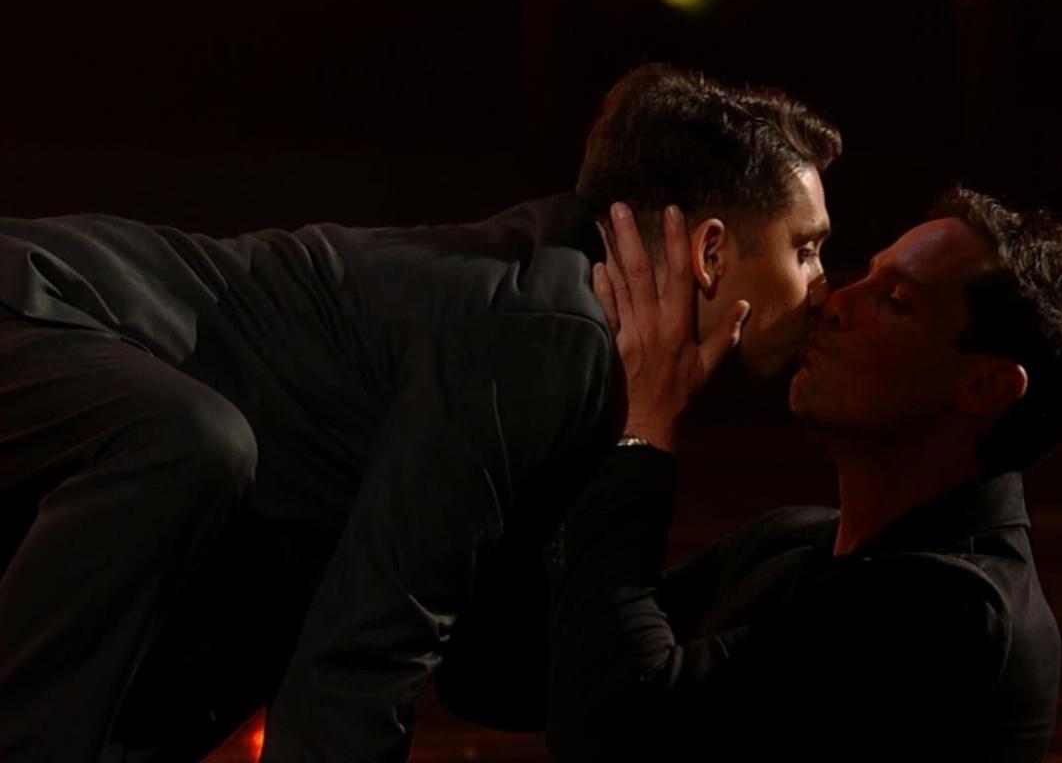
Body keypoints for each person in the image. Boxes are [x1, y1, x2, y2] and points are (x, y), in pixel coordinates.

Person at [0, 63, 839, 762]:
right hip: (33, 304)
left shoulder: (580, 342)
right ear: (711, 251)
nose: (824, 285)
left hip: (80, 421)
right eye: (805, 248)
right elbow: (366, 658)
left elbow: (487, 669)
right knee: (188, 444)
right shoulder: (552, 338)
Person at [544, 186, 1062, 761]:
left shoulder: (954, 610)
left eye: (894, 300)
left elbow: (616, 730)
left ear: (983, 386)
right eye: (867, 274)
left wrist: (645, 424)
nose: (832, 301)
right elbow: (540, 668)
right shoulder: (790, 541)